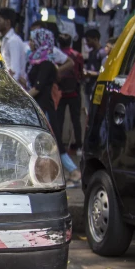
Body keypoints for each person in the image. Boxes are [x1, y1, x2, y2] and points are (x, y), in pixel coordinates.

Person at [27, 29, 81, 187]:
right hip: (40, 107)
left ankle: (74, 172)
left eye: (32, 40)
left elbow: (38, 87)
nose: (30, 43)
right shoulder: (38, 60)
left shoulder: (46, 63)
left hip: (45, 108)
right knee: (44, 143)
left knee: (54, 142)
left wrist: (23, 98)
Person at [57, 34, 84, 157]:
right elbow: (81, 73)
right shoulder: (77, 55)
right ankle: (79, 146)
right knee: (76, 120)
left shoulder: (57, 54)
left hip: (60, 92)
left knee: (59, 120)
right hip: (74, 92)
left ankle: (58, 146)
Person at [0, 8, 28, 87]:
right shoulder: (6, 40)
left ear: (7, 22)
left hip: (13, 88)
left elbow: (15, 72)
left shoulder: (13, 41)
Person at [84, 29, 106, 102]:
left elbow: (103, 72)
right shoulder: (91, 53)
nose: (87, 43)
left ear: (95, 39)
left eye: (88, 40)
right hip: (89, 86)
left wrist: (89, 73)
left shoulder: (102, 53)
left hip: (97, 87)